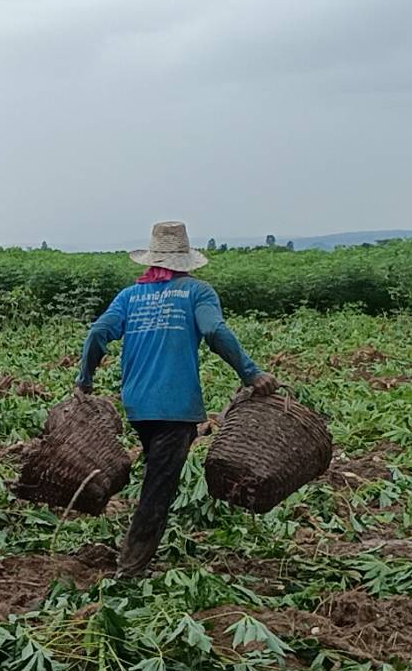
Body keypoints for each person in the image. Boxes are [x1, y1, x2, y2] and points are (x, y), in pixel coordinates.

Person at [76, 221, 279, 578]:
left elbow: (97, 333)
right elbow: (215, 331)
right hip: (175, 408)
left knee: (157, 473)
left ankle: (133, 548)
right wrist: (251, 373)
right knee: (160, 485)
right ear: (185, 260)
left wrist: (85, 380)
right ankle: (131, 566)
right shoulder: (197, 292)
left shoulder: (129, 297)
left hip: (137, 406)